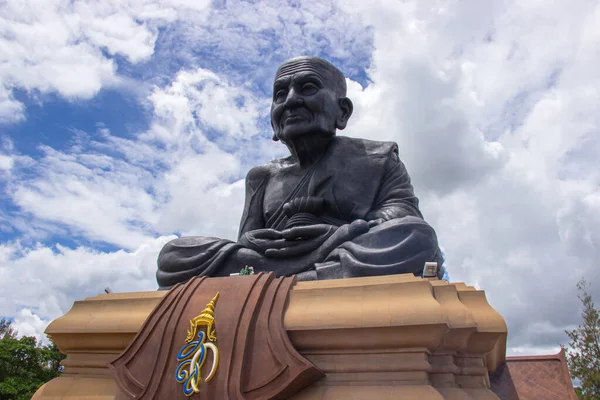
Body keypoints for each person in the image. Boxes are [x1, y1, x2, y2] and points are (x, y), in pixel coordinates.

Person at [157, 56, 443, 289]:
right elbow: (246, 243)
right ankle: (295, 280)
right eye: (280, 94)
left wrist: (335, 235)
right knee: (174, 253)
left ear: (342, 112)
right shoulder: (262, 176)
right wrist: (260, 244)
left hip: (338, 252)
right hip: (274, 263)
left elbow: (402, 213)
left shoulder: (377, 158)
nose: (291, 101)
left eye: (307, 88)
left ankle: (274, 283)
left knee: (416, 237)